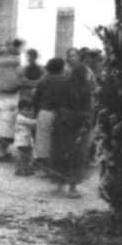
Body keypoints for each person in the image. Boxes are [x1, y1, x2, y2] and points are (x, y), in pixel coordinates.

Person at [33, 58, 91, 197]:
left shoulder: (63, 84)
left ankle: (59, 184)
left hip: (62, 121)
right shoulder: (87, 88)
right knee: (77, 155)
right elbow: (89, 107)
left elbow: (53, 102)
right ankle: (73, 188)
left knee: (59, 152)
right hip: (79, 123)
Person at [12, 98, 38, 177]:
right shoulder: (20, 118)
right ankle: (19, 169)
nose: (28, 112)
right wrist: (39, 120)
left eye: (29, 110)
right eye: (26, 110)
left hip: (26, 140)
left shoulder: (22, 117)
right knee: (21, 156)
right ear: (20, 109)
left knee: (27, 156)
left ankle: (26, 168)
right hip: (21, 140)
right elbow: (31, 122)